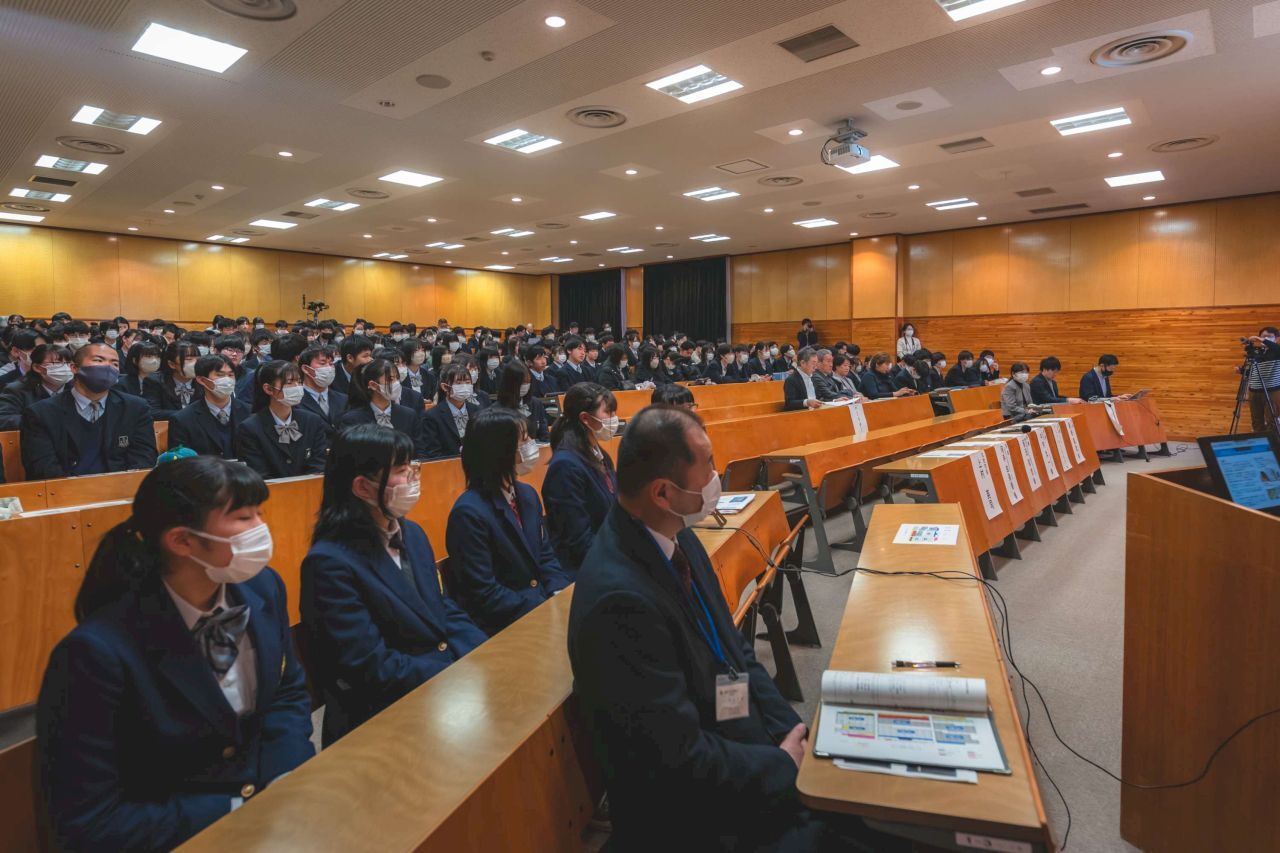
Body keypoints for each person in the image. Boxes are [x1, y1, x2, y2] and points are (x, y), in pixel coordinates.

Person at [566, 405, 833, 852]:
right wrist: (783, 766)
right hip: (692, 818)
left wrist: (795, 734)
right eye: (707, 464)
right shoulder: (620, 603)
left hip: (737, 752)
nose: (716, 475)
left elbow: (735, 653)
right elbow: (677, 758)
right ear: (663, 493)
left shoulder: (677, 535)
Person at [37, 457, 314, 851]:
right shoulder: (95, 654)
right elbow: (90, 821)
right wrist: (239, 808)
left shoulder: (263, 587)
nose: (261, 530)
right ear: (182, 540)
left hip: (272, 816)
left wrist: (288, 776)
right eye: (243, 518)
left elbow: (287, 692)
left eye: (260, 514)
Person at [301, 426, 487, 746]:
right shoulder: (329, 563)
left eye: (413, 467)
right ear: (362, 486)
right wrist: (453, 670)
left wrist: (483, 653)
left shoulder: (411, 533)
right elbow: (370, 665)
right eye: (402, 471)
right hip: (382, 719)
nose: (414, 477)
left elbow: (441, 608)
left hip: (440, 690)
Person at [445, 408, 571, 633]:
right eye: (523, 440)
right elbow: (484, 593)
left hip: (540, 607)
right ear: (498, 450)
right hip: (504, 625)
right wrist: (543, 608)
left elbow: (545, 556)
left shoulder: (527, 495)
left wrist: (559, 593)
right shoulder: (469, 514)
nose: (530, 444)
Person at [21, 343, 157, 480]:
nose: (108, 367)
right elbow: (42, 468)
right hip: (64, 493)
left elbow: (143, 458)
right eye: (98, 360)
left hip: (120, 489)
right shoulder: (41, 413)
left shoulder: (135, 408)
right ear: (74, 368)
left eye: (115, 364)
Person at [541, 384, 620, 575]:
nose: (614, 419)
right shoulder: (565, 466)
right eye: (608, 413)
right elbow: (578, 540)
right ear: (585, 418)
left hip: (610, 555)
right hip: (586, 570)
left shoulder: (599, 454)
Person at [234, 360, 328, 479]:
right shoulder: (250, 428)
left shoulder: (312, 421)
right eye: (289, 382)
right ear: (268, 389)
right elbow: (258, 473)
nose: (297, 387)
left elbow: (318, 464)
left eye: (299, 382)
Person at [340, 358, 428, 458]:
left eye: (397, 378)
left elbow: (420, 451)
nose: (396, 383)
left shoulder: (409, 415)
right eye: (390, 379)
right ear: (373, 385)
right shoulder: (352, 420)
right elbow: (350, 456)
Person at [168, 355, 250, 459]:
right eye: (220, 375)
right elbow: (181, 465)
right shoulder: (182, 420)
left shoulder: (249, 412)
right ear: (202, 380)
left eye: (230, 375)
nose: (227, 380)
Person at [0, 343, 70, 431]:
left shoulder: (76, 387)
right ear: (37, 367)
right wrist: (40, 420)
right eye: (57, 363)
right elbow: (3, 419)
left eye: (68, 363)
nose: (65, 368)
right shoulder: (17, 389)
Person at [420, 363, 481, 459]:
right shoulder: (432, 416)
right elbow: (433, 453)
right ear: (445, 387)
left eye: (467, 382)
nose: (464, 386)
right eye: (458, 383)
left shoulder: (477, 410)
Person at [296, 344, 348, 438]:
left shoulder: (343, 399)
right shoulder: (294, 400)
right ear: (306, 369)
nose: (329, 368)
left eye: (331, 363)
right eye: (322, 363)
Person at [144, 340, 201, 421]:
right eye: (189, 359)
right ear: (172, 364)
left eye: (198, 359)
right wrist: (187, 414)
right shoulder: (154, 381)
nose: (196, 363)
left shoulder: (203, 380)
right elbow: (152, 412)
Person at [495, 360, 549, 442]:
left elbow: (544, 433)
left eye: (528, 381)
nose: (525, 385)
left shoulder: (535, 403)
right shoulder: (497, 410)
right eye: (522, 382)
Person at [1242, 328, 1280, 435]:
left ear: (1277, 338)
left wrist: (1261, 339)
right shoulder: (1258, 352)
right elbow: (1252, 370)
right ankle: (1261, 447)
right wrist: (1241, 370)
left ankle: (1274, 448)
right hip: (1254, 391)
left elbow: (1277, 349)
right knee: (1256, 421)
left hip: (1272, 391)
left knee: (1272, 421)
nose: (1265, 338)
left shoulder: (1277, 351)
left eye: (1269, 336)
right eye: (1263, 336)